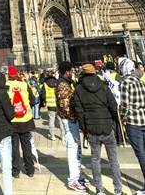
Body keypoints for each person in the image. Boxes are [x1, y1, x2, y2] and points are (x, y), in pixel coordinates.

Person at [74, 63, 123, 195]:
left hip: (91, 127)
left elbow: (79, 111)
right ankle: (118, 190)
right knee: (113, 159)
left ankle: (99, 190)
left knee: (95, 159)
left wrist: (84, 128)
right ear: (95, 72)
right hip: (106, 125)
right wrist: (112, 120)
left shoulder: (78, 89)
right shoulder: (103, 86)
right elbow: (113, 106)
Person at [56, 61, 86, 192]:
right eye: (71, 70)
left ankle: (78, 176)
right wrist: (74, 118)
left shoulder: (65, 83)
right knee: (72, 149)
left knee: (76, 147)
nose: (73, 72)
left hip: (70, 119)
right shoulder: (62, 85)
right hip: (69, 120)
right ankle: (73, 180)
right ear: (66, 71)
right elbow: (65, 105)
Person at [118, 58, 145, 195]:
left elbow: (124, 105)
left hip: (133, 121)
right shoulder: (139, 81)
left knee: (141, 153)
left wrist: (123, 117)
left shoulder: (125, 82)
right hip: (143, 118)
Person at [6, 66, 36, 179]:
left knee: (14, 147)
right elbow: (32, 101)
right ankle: (30, 170)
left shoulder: (6, 86)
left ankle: (15, 171)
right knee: (26, 145)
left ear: (8, 75)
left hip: (12, 121)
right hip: (25, 120)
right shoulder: (24, 84)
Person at [41, 69, 65, 141]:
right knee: (61, 120)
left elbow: (43, 95)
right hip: (58, 105)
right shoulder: (58, 83)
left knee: (51, 120)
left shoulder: (45, 85)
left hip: (50, 105)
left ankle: (52, 136)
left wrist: (45, 101)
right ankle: (63, 136)